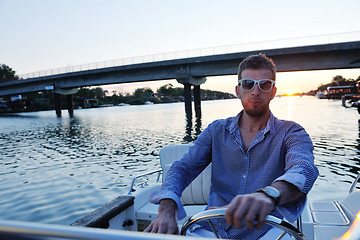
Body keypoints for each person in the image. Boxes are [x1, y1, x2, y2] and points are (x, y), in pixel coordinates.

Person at [145, 53, 319, 239]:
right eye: (248, 84)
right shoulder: (216, 130)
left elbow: (304, 169)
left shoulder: (291, 132)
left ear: (273, 91)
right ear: (238, 90)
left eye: (264, 84)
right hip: (211, 226)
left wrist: (269, 195)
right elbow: (183, 168)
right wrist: (167, 206)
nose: (255, 91)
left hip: (266, 230)